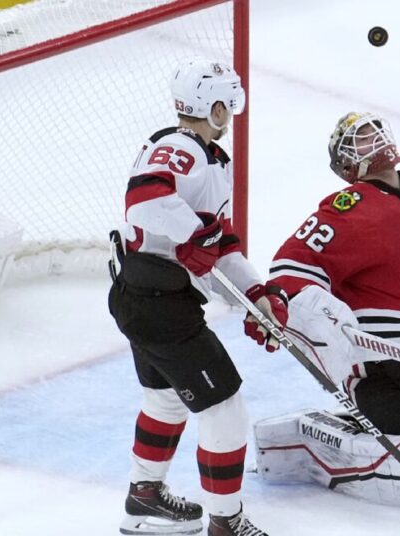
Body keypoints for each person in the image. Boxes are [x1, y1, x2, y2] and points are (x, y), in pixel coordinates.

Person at [108, 57, 288, 536]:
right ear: (211, 107)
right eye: (225, 103)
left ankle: (144, 497)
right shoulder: (180, 147)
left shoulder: (207, 157)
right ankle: (226, 523)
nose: (230, 112)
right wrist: (192, 234)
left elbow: (217, 241)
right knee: (225, 409)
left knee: (165, 400)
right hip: (158, 301)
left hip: (145, 296)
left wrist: (257, 293)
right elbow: (143, 199)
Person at [267, 111, 400, 435]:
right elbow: (288, 271)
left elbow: (287, 272)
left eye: (371, 133)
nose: (371, 141)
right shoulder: (367, 203)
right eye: (362, 138)